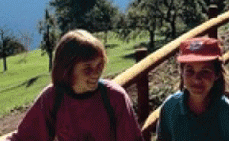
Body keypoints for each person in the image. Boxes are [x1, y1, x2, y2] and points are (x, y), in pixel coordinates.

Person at [7, 29, 144, 141]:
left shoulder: (115, 97)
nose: (96, 73)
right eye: (87, 68)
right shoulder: (53, 97)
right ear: (67, 70)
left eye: (99, 65)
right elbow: (25, 137)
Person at [156, 36, 229, 141]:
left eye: (205, 72)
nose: (197, 79)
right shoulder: (170, 108)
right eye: (190, 71)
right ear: (181, 72)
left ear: (217, 74)